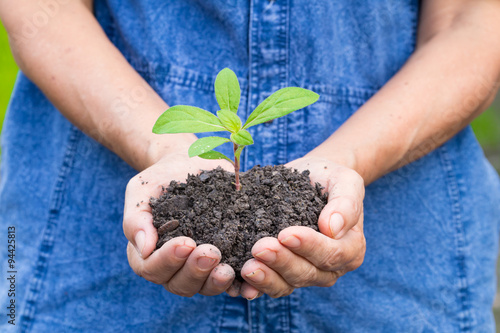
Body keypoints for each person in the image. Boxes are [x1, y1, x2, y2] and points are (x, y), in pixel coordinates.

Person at [1, 0, 499, 331]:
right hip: (86, 240)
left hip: (403, 252)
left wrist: (346, 159)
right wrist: (165, 148)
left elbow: (471, 21)